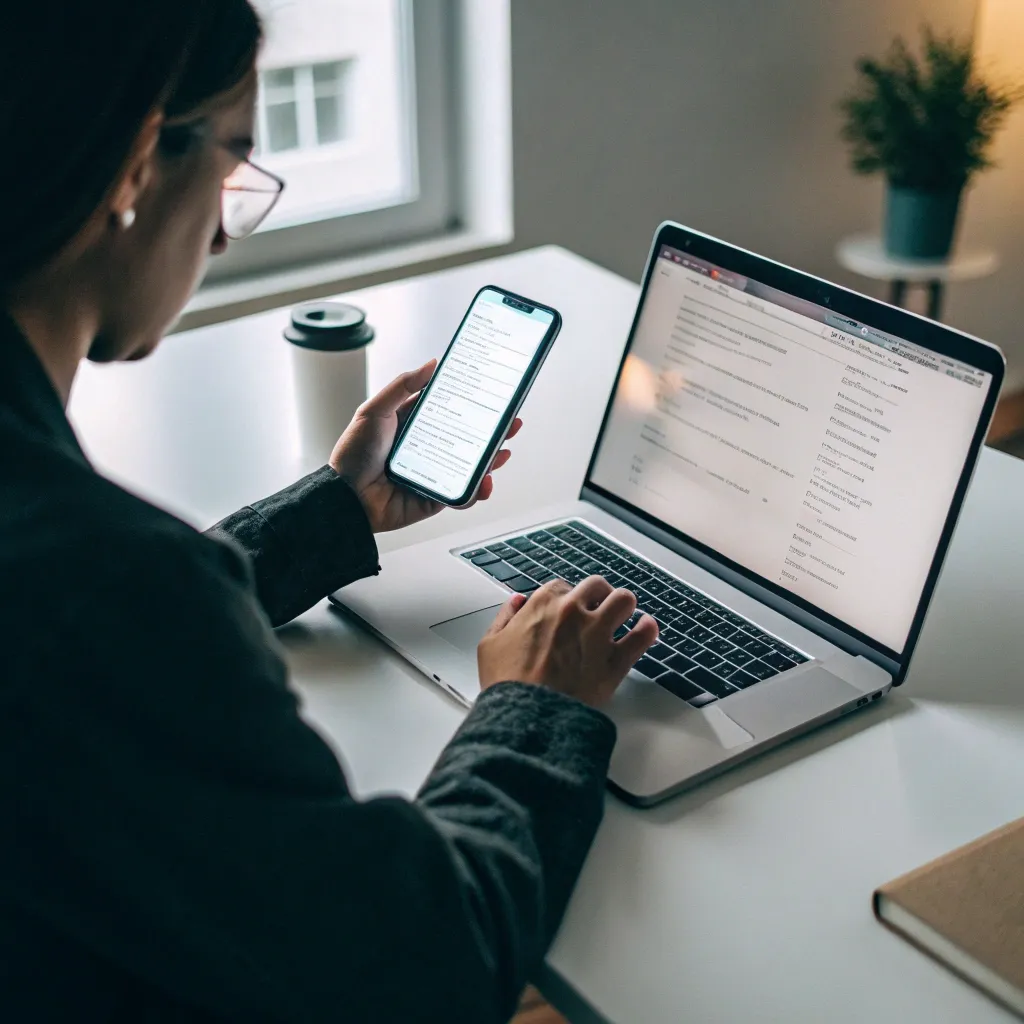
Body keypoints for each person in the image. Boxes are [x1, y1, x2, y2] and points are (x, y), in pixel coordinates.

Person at [0, 3, 658, 1021]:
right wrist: (537, 705)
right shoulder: (110, 592)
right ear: (136, 163)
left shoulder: (68, 561)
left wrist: (328, 514)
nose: (222, 231)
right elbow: (424, 965)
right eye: (231, 167)